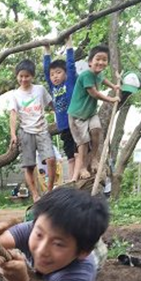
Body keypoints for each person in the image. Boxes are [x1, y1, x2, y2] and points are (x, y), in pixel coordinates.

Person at [67, 45, 120, 182]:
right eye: (98, 59)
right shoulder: (86, 75)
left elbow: (103, 79)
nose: (101, 62)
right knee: (83, 143)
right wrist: (112, 99)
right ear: (90, 62)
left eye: (104, 60)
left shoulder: (98, 74)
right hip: (77, 116)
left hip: (90, 113)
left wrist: (114, 86)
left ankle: (94, 158)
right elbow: (94, 94)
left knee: (97, 131)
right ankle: (83, 167)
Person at [9, 59, 55, 202]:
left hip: (42, 129)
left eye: (27, 76)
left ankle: (50, 191)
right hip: (25, 132)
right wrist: (13, 134)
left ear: (32, 76)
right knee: (29, 166)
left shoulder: (40, 89)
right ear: (17, 76)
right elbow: (13, 114)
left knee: (51, 159)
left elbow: (52, 104)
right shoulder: (15, 95)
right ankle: (35, 194)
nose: (23, 79)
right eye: (21, 76)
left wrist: (61, 117)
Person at [44, 36, 79, 179]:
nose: (55, 76)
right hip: (63, 126)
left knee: (78, 153)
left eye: (58, 72)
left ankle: (78, 176)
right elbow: (46, 70)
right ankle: (72, 179)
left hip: (75, 123)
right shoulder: (53, 87)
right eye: (53, 74)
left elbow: (70, 64)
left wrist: (69, 43)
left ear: (65, 74)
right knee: (70, 155)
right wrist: (46, 50)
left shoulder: (69, 82)